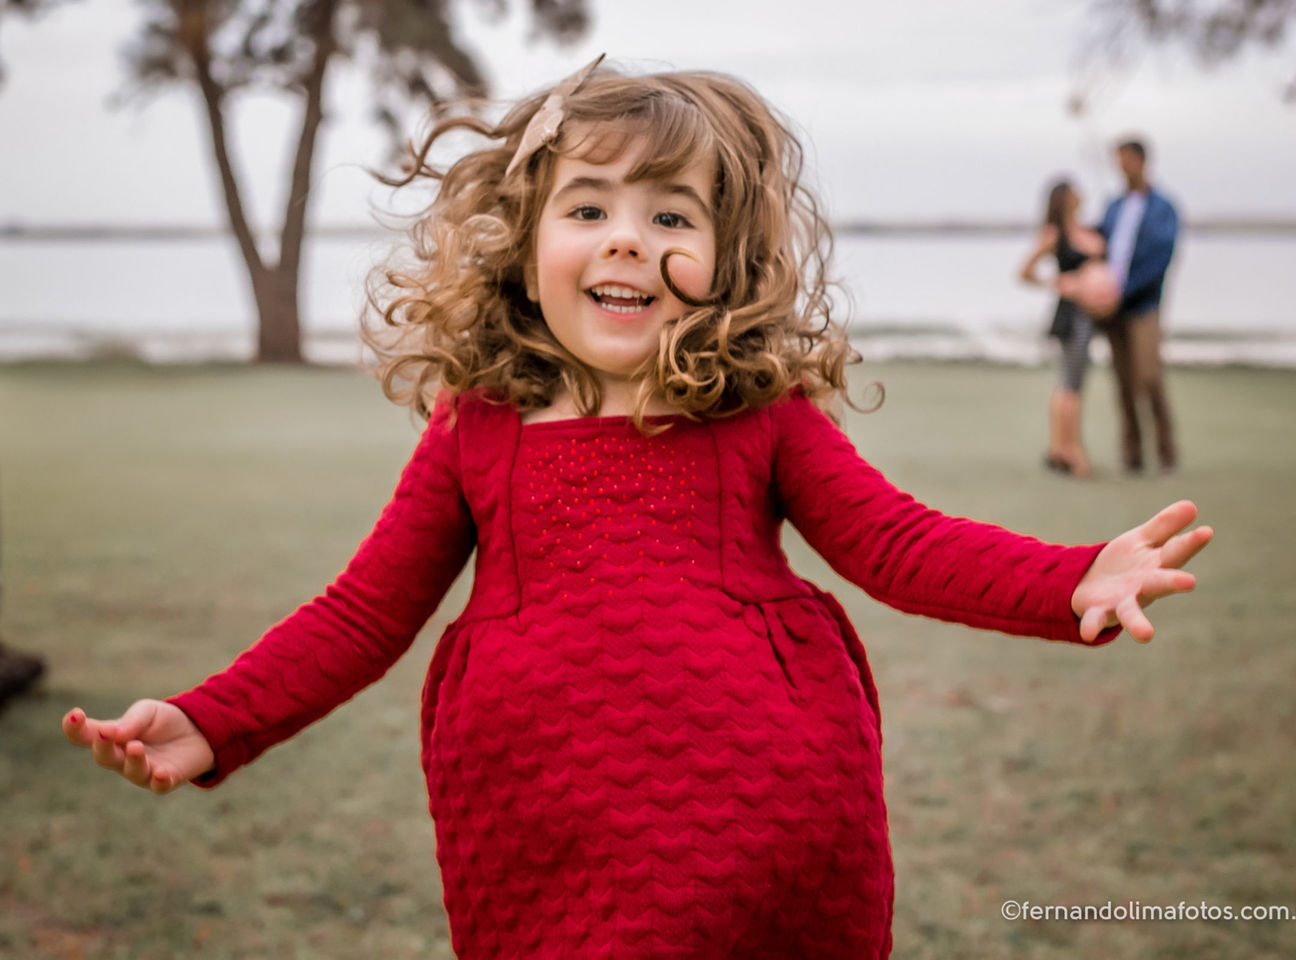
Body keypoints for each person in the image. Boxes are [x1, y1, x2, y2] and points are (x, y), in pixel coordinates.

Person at [60, 60, 1214, 959]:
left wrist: (1068, 581)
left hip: (766, 813)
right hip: (538, 825)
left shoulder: (758, 412)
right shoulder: (479, 425)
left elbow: (896, 544)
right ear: (525, 244)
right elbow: (365, 613)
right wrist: (216, 719)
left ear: (725, 259)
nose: (629, 237)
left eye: (673, 217)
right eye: (591, 209)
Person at [1098, 138, 1182, 474]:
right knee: (1121, 381)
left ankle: (1166, 455)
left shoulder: (1163, 207)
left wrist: (1124, 290)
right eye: (1118, 160)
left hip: (1143, 305)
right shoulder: (1113, 206)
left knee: (1149, 378)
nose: (1122, 166)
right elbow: (1102, 246)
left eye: (1127, 159)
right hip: (1111, 308)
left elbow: (1161, 257)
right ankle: (1132, 456)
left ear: (1143, 161)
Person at [1018, 179, 1111, 477]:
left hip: (1090, 313)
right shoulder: (1054, 235)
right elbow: (1024, 272)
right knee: (1070, 383)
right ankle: (1071, 450)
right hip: (1071, 315)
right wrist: (1058, 283)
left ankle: (1061, 448)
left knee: (1073, 381)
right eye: (1072, 193)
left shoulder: (1089, 231)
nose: (1078, 196)